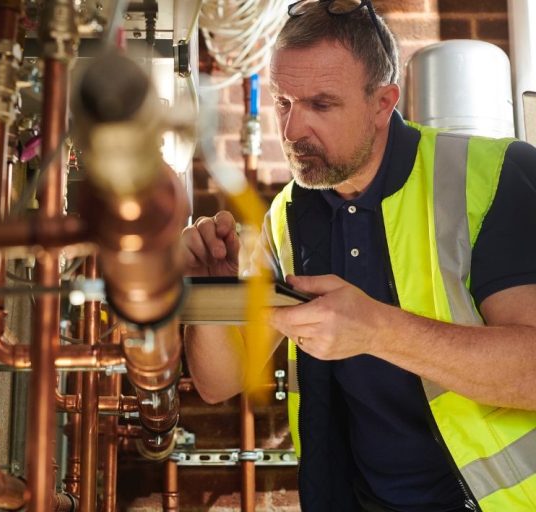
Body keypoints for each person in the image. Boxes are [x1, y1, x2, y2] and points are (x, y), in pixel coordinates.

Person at [182, 1, 536, 511]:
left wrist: (376, 331)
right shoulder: (289, 216)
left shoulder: (494, 176)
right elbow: (221, 382)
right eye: (283, 102)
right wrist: (209, 294)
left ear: (383, 103)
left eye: (321, 105)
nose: (292, 130)